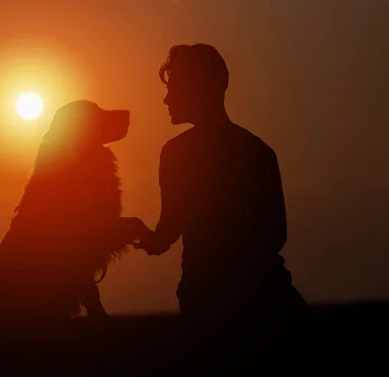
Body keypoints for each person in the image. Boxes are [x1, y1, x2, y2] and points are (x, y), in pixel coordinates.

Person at [134, 44, 309, 371]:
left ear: (196, 90)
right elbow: (276, 233)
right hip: (267, 297)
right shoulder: (258, 151)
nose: (166, 99)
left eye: (173, 89)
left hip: (208, 301)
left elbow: (166, 234)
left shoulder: (176, 154)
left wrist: (135, 235)